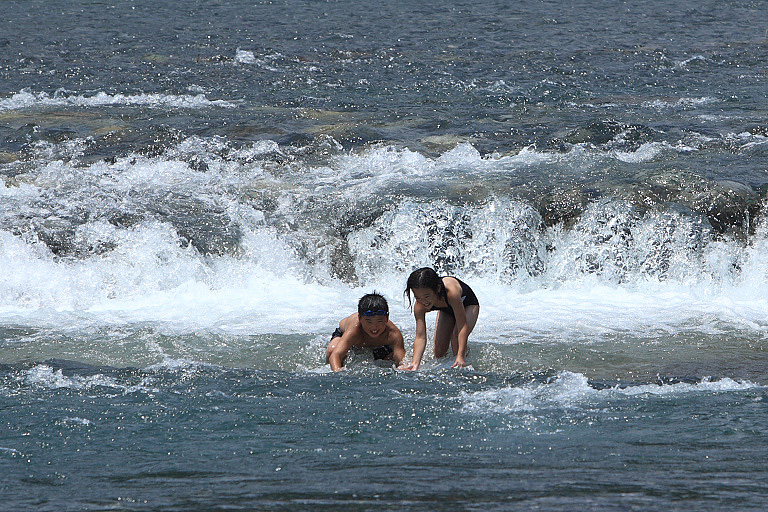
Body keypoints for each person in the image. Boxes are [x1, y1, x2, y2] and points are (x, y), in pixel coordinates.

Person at [402, 267, 479, 370]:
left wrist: (460, 356)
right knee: (439, 350)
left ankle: (464, 359)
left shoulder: (451, 293)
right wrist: (415, 364)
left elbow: (462, 326)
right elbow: (420, 337)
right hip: (446, 309)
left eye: (427, 296)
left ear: (437, 289)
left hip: (468, 305)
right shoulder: (420, 306)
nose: (423, 301)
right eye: (418, 297)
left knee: (456, 337)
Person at [326, 292, 406, 371]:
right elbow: (336, 355)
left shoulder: (393, 333)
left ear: (387, 318)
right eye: (369, 322)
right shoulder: (354, 330)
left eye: (379, 321)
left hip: (379, 346)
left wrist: (402, 368)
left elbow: (401, 361)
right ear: (360, 318)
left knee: (391, 359)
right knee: (332, 350)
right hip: (345, 336)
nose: (374, 327)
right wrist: (338, 373)